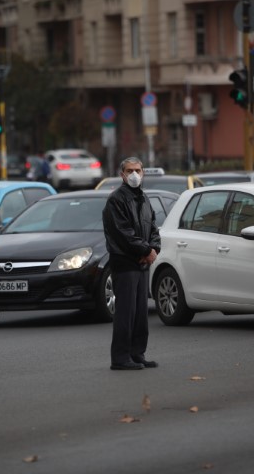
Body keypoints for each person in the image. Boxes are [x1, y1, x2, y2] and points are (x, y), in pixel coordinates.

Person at [102, 157, 161, 371]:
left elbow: (153, 227)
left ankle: (137, 354)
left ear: (143, 172)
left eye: (137, 170)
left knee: (140, 313)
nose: (134, 174)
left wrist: (153, 249)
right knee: (126, 313)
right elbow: (122, 233)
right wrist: (145, 251)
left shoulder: (144, 199)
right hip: (125, 263)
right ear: (122, 175)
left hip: (142, 264)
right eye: (129, 170)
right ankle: (120, 357)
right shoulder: (116, 200)